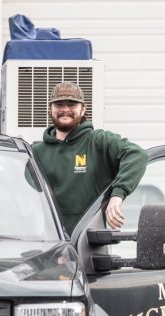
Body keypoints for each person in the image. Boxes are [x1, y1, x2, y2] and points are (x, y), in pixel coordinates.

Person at [33, 82, 147, 236]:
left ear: (83, 109)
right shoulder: (36, 153)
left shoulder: (98, 141)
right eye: (59, 104)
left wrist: (117, 195)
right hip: (50, 244)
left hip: (89, 245)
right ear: (50, 109)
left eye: (72, 104)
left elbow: (137, 154)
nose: (65, 109)